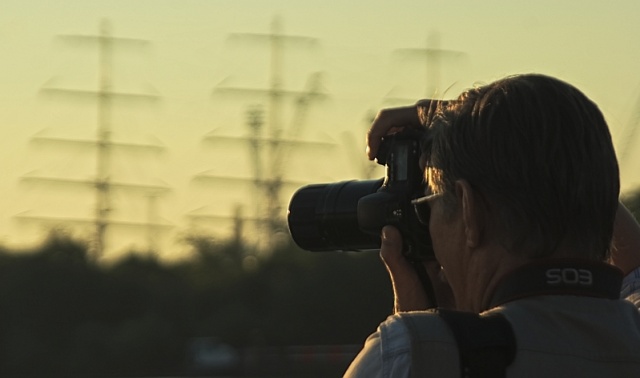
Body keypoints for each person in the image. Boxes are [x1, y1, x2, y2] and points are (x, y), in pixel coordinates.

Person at [344, 74, 640, 377]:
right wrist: (513, 137)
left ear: (469, 209)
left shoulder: (412, 354)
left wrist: (432, 335)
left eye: (428, 207)